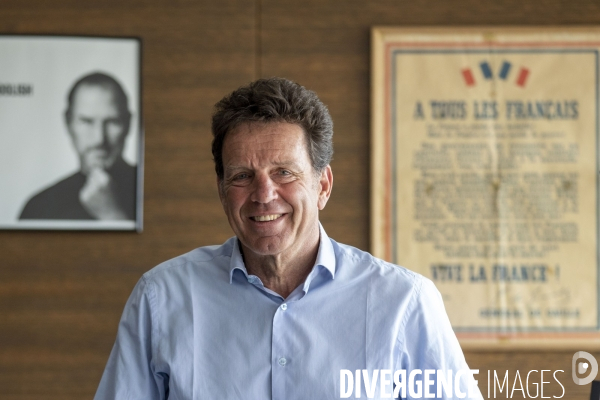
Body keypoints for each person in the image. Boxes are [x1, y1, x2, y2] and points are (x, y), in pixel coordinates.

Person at [94, 78, 482, 399]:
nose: (264, 194)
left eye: (284, 172)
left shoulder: (404, 302)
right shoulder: (160, 298)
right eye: (242, 176)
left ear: (323, 186)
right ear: (221, 189)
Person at [19, 72, 136, 220]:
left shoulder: (155, 193)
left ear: (129, 124)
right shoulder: (38, 208)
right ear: (68, 123)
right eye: (86, 122)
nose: (99, 138)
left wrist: (111, 215)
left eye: (112, 122)